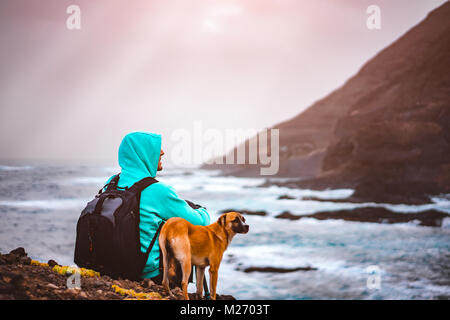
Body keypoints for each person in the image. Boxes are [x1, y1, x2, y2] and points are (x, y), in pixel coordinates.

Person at [104, 131, 210, 282]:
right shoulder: (157, 190)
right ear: (141, 153)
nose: (162, 151)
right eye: (154, 147)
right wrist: (202, 210)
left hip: (114, 267)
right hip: (149, 275)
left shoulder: (111, 183)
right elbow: (199, 224)